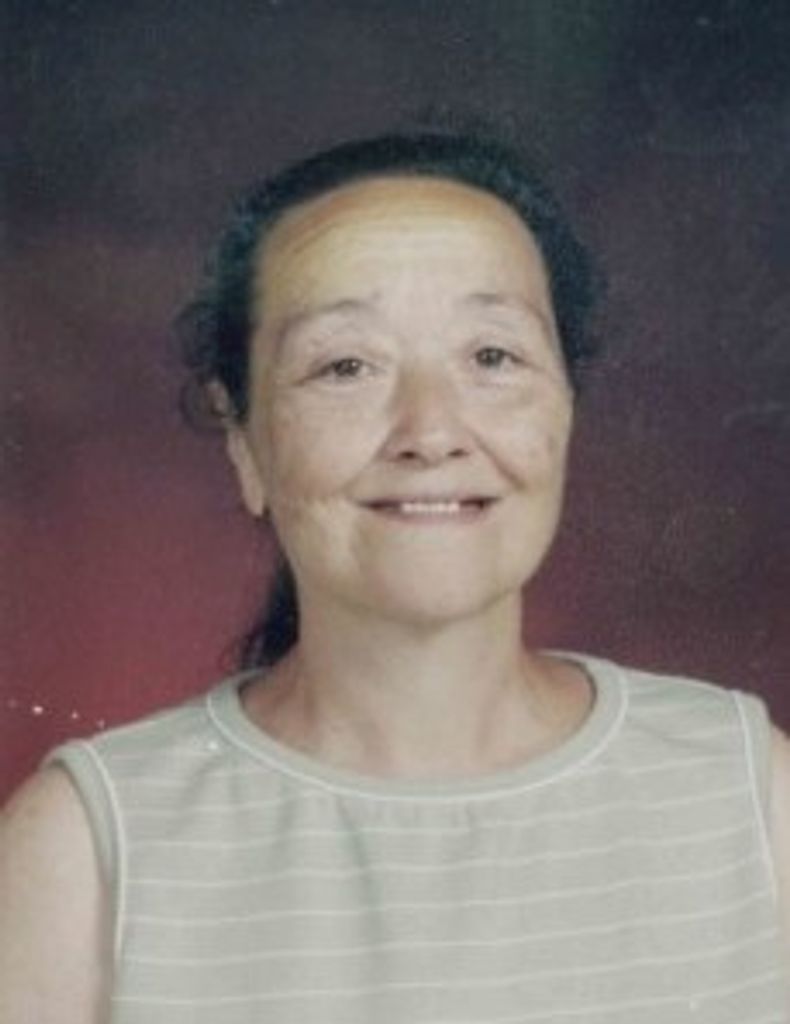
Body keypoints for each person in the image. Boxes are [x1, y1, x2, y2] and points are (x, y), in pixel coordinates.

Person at [1, 131, 788, 1023]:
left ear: (567, 405)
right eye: (346, 366)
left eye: (492, 357)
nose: (431, 431)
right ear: (244, 441)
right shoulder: (87, 850)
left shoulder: (747, 793)